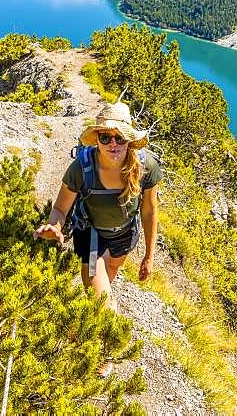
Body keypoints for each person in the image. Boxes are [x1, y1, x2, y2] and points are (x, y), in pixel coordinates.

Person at [34, 101, 161, 373]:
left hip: (125, 236)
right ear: (97, 139)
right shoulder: (82, 167)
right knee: (101, 300)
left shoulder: (146, 166)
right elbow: (60, 207)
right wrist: (54, 227)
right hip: (89, 234)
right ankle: (105, 351)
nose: (112, 144)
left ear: (129, 139)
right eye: (105, 137)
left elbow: (149, 212)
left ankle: (101, 311)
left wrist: (149, 256)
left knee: (108, 280)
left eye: (119, 138)